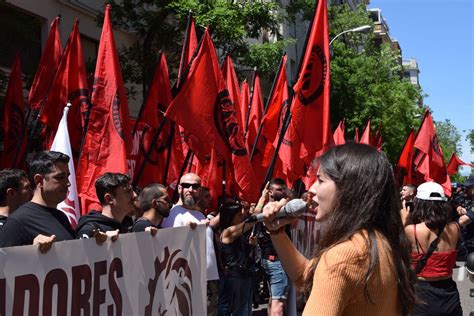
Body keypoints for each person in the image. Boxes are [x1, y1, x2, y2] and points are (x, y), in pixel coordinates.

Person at [262, 143, 416, 315]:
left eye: (320, 180)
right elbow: (307, 277)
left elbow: (323, 274)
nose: (311, 190)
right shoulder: (382, 242)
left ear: (348, 190)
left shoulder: (343, 256)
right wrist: (277, 232)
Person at [160, 173, 220, 316]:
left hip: (208, 279)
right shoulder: (172, 214)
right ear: (179, 188)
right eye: (186, 185)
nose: (190, 189)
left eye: (195, 186)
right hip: (186, 281)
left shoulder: (199, 215)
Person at [405, 181, 462, 315]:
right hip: (449, 293)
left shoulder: (411, 230)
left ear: (418, 203)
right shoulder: (454, 229)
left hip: (422, 294)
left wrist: (405, 218)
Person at [0, 151, 76, 251]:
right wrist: (32, 251)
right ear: (39, 180)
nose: (68, 183)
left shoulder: (61, 217)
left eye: (67, 176)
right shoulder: (18, 221)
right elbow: (5, 264)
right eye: (60, 177)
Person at [255, 178, 290, 316]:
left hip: (272, 259)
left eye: (284, 189)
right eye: (280, 189)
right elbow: (271, 212)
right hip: (275, 261)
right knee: (279, 305)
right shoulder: (271, 207)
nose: (283, 192)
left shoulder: (273, 205)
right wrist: (284, 201)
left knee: (274, 300)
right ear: (270, 192)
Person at [217, 202, 256, 316]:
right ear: (230, 217)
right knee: (239, 311)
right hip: (235, 278)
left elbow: (241, 255)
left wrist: (250, 245)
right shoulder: (228, 232)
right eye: (239, 215)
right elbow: (252, 221)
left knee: (245, 310)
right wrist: (262, 200)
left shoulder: (236, 234)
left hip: (244, 275)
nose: (241, 217)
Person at [76, 172, 137, 240]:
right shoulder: (91, 230)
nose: (135, 195)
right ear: (109, 199)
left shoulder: (126, 226)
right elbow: (79, 250)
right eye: (128, 191)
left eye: (133, 190)